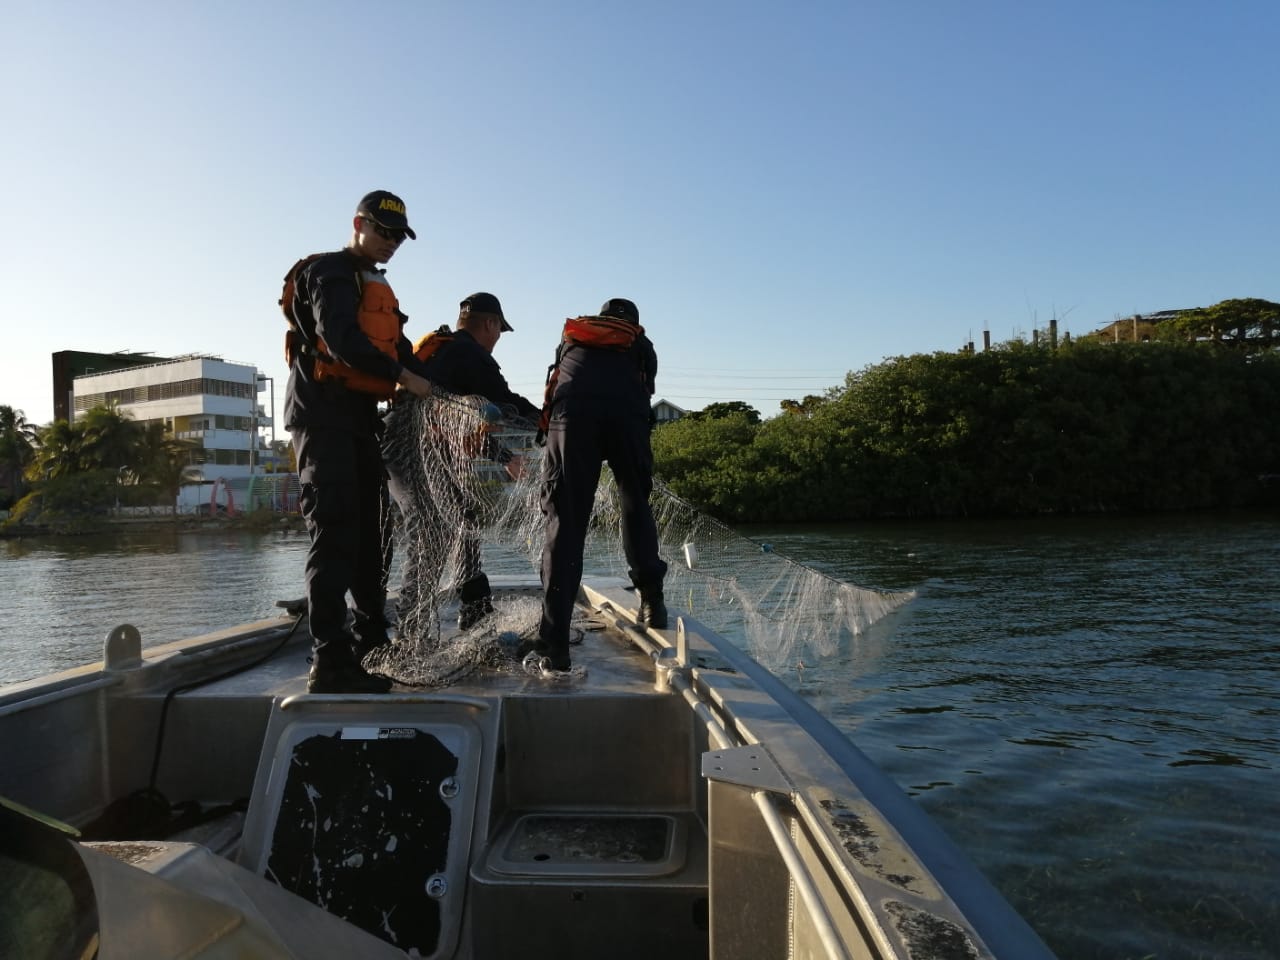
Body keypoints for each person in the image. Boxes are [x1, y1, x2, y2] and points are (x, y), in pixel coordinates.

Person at [283, 189, 433, 694]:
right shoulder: (330, 272)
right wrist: (398, 374)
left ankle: (373, 641)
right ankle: (330, 661)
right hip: (322, 421)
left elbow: (404, 353)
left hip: (360, 422)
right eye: (382, 231)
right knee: (335, 535)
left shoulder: (377, 286)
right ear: (358, 224)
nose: (390, 242)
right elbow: (341, 338)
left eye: (398, 237)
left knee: (375, 534)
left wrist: (438, 388)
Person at [532, 297, 668, 678]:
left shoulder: (573, 338)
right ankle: (652, 605)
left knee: (566, 522)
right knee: (634, 502)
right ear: (632, 323)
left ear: (601, 317)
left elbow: (555, 383)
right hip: (628, 415)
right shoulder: (641, 344)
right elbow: (645, 392)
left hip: (572, 418)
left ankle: (555, 644)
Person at [395, 292, 540, 635]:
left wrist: (506, 457)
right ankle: (409, 633)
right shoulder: (469, 353)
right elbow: (506, 404)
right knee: (433, 533)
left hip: (419, 449)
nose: (497, 340)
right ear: (490, 324)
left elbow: (458, 423)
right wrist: (553, 424)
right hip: (413, 454)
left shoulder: (445, 350)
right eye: (499, 332)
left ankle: (474, 607)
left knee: (463, 519)